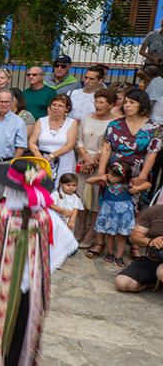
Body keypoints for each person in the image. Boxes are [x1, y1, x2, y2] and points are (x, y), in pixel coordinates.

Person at [0, 156, 77, 366]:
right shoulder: (46, 218)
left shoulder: (0, 214)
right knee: (22, 319)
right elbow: (69, 246)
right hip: (32, 283)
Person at [94, 88, 160, 194]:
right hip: (113, 173)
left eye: (132, 102)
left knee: (134, 207)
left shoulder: (154, 128)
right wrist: (101, 171)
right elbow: (106, 149)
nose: (127, 105)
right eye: (125, 102)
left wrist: (142, 176)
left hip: (137, 174)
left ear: (142, 104)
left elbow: (152, 153)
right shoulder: (114, 125)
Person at [75, 89, 115, 252]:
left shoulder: (114, 123)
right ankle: (81, 227)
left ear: (111, 105)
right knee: (81, 196)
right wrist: (85, 157)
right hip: (83, 162)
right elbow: (78, 140)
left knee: (95, 200)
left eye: (101, 102)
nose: (97, 105)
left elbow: (110, 145)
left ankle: (92, 232)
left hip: (101, 164)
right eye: (96, 102)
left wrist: (95, 159)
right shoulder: (86, 119)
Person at [91, 162, 136, 267]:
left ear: (123, 177)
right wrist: (102, 177)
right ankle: (110, 253)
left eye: (113, 175)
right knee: (110, 234)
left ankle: (119, 256)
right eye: (109, 174)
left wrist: (137, 188)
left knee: (121, 236)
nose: (110, 176)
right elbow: (89, 181)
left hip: (123, 213)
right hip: (109, 211)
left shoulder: (128, 184)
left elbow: (148, 184)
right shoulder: (106, 182)